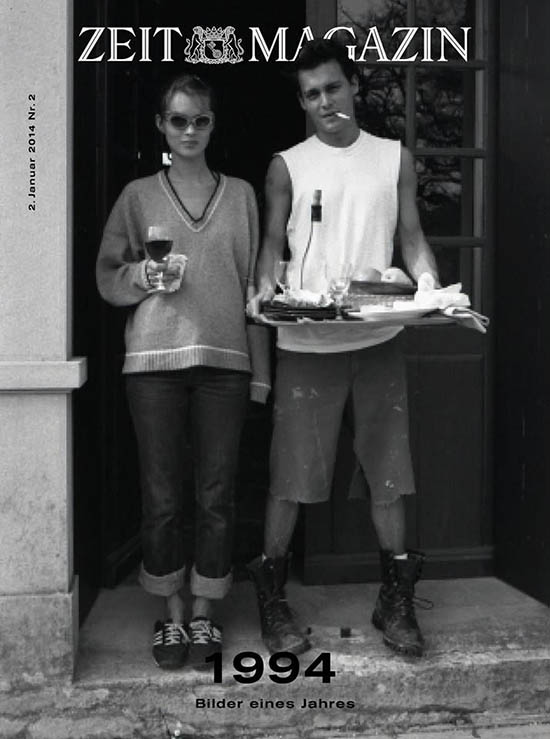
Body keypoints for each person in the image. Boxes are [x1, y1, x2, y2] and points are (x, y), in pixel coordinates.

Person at [247, 39, 439, 658]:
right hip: (307, 342)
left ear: (353, 85)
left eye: (332, 87)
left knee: (390, 472)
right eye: (311, 95)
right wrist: (262, 289)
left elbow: (412, 237)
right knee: (290, 475)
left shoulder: (392, 157)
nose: (324, 102)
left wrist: (430, 284)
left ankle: (395, 601)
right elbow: (271, 246)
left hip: (377, 337)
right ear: (302, 103)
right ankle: (272, 599)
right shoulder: (287, 165)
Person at [96, 73, 270, 670]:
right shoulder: (137, 196)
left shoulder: (242, 196)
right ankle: (171, 613)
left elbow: (253, 290)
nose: (189, 130)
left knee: (217, 494)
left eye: (200, 120)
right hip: (152, 362)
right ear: (161, 126)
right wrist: (141, 277)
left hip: (225, 364)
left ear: (213, 124)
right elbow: (107, 273)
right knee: (163, 496)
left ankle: (204, 610)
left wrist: (261, 371)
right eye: (178, 119)